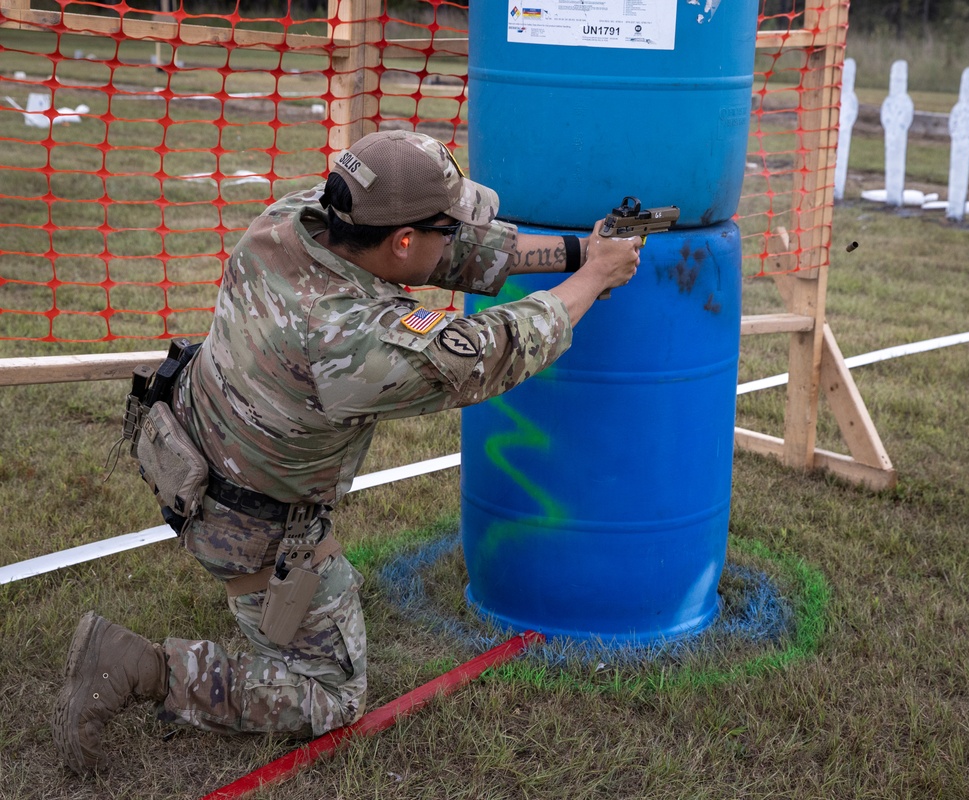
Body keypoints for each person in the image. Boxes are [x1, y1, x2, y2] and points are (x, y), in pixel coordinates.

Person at [52, 130, 641, 774]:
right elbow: (492, 352)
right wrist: (591, 279)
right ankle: (140, 669)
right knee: (330, 698)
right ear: (404, 240)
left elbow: (438, 253)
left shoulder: (300, 217)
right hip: (246, 524)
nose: (453, 237)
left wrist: (583, 250)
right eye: (446, 227)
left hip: (186, 440)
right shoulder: (352, 346)